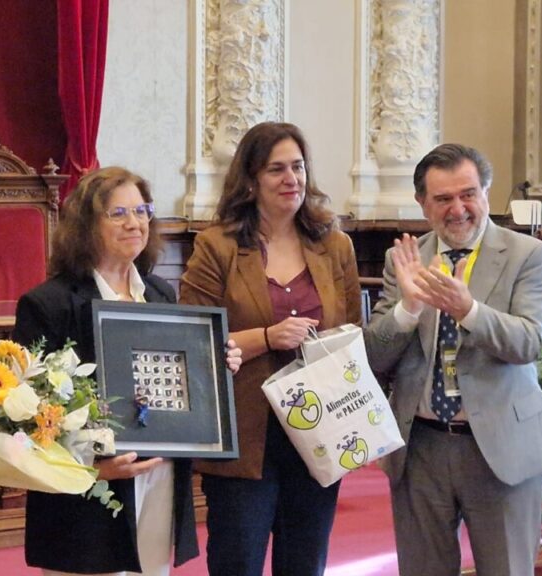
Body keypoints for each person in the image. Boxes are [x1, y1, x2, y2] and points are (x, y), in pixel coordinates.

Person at [13, 166, 242, 576]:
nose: (134, 223)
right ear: (86, 225)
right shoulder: (48, 304)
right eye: (118, 213)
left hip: (156, 477)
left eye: (141, 210)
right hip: (87, 496)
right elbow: (29, 421)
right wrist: (90, 468)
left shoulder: (159, 293)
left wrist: (214, 367)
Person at [365, 143, 542, 576]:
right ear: (422, 203)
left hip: (500, 446)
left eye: (468, 194)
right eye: (443, 199)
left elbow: (529, 342)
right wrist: (409, 309)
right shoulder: (403, 259)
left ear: (486, 193)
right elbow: (375, 357)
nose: (458, 209)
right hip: (421, 446)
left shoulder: (528, 254)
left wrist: (467, 310)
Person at [179, 121, 361, 576]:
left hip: (319, 430)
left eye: (298, 167)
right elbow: (191, 339)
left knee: (305, 563)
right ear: (251, 180)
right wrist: (266, 337)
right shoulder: (216, 246)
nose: (291, 179)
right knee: (237, 562)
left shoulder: (335, 245)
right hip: (245, 433)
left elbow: (352, 333)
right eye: (277, 169)